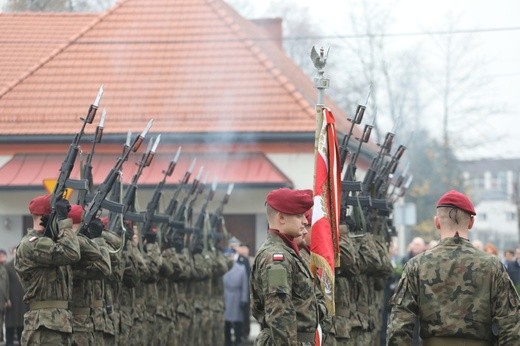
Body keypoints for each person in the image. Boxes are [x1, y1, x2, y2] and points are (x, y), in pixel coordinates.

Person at [387, 189, 520, 345]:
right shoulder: (493, 266)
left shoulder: (416, 265)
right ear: (471, 222)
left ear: (437, 222)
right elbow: (511, 325)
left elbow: (399, 327)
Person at [250, 187, 325, 345]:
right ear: (281, 218)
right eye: (299, 216)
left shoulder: (288, 253)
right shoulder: (276, 259)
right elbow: (280, 313)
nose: (305, 221)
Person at [15, 194, 81, 345]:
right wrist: (64, 223)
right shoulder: (31, 244)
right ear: (49, 217)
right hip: (44, 326)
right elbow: (72, 253)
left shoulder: (51, 242)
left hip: (58, 323)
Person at [223, 249, 249, 346]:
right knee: (226, 323)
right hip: (226, 296)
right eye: (227, 256)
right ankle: (227, 342)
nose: (229, 258)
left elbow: (244, 285)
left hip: (237, 297)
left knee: (238, 322)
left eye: (230, 255)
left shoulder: (241, 268)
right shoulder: (222, 268)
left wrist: (244, 299)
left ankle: (238, 340)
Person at [4, 247, 26, 346]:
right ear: (12, 254)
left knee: (22, 324)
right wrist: (7, 298)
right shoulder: (8, 266)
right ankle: (9, 343)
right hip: (12, 298)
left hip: (22, 298)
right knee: (10, 323)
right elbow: (5, 283)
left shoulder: (26, 265)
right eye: (15, 252)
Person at [0, 248, 9, 344]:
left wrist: (7, 299)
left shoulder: (4, 268)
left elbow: (6, 285)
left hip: (2, 301)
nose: (5, 257)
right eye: (3, 256)